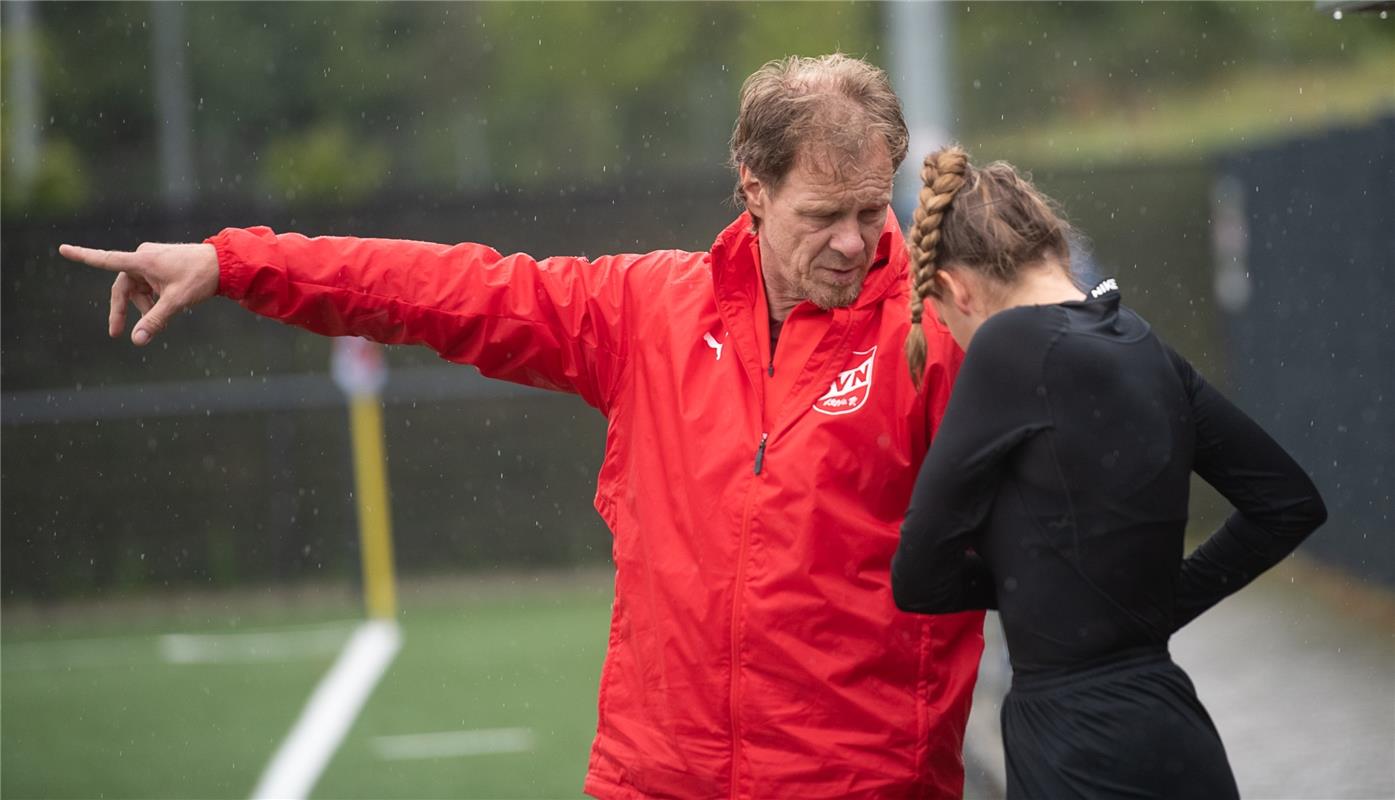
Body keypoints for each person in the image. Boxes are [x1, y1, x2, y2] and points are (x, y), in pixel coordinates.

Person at [61, 55, 986, 799]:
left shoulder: (945, 331)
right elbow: (445, 291)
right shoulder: (648, 311)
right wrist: (234, 264)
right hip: (653, 778)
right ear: (751, 187)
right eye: (823, 216)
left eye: (872, 210)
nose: (856, 241)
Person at [891, 145, 1328, 799]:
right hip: (1174, 728)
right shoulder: (1143, 344)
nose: (957, 342)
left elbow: (919, 576)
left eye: (951, 327)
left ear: (955, 290)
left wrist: (1044, 596)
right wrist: (1151, 607)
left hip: (1072, 744)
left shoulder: (1008, 346)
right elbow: (1287, 502)